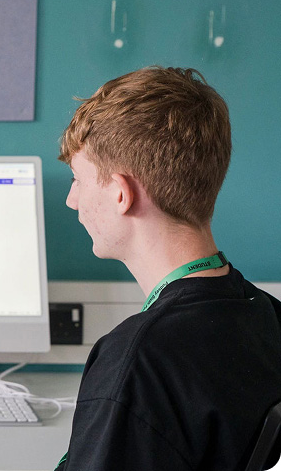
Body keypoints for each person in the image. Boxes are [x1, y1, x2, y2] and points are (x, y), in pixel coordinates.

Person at [55, 66, 281, 469]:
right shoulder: (268, 315)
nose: (72, 200)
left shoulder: (139, 361)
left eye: (78, 179)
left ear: (121, 194)